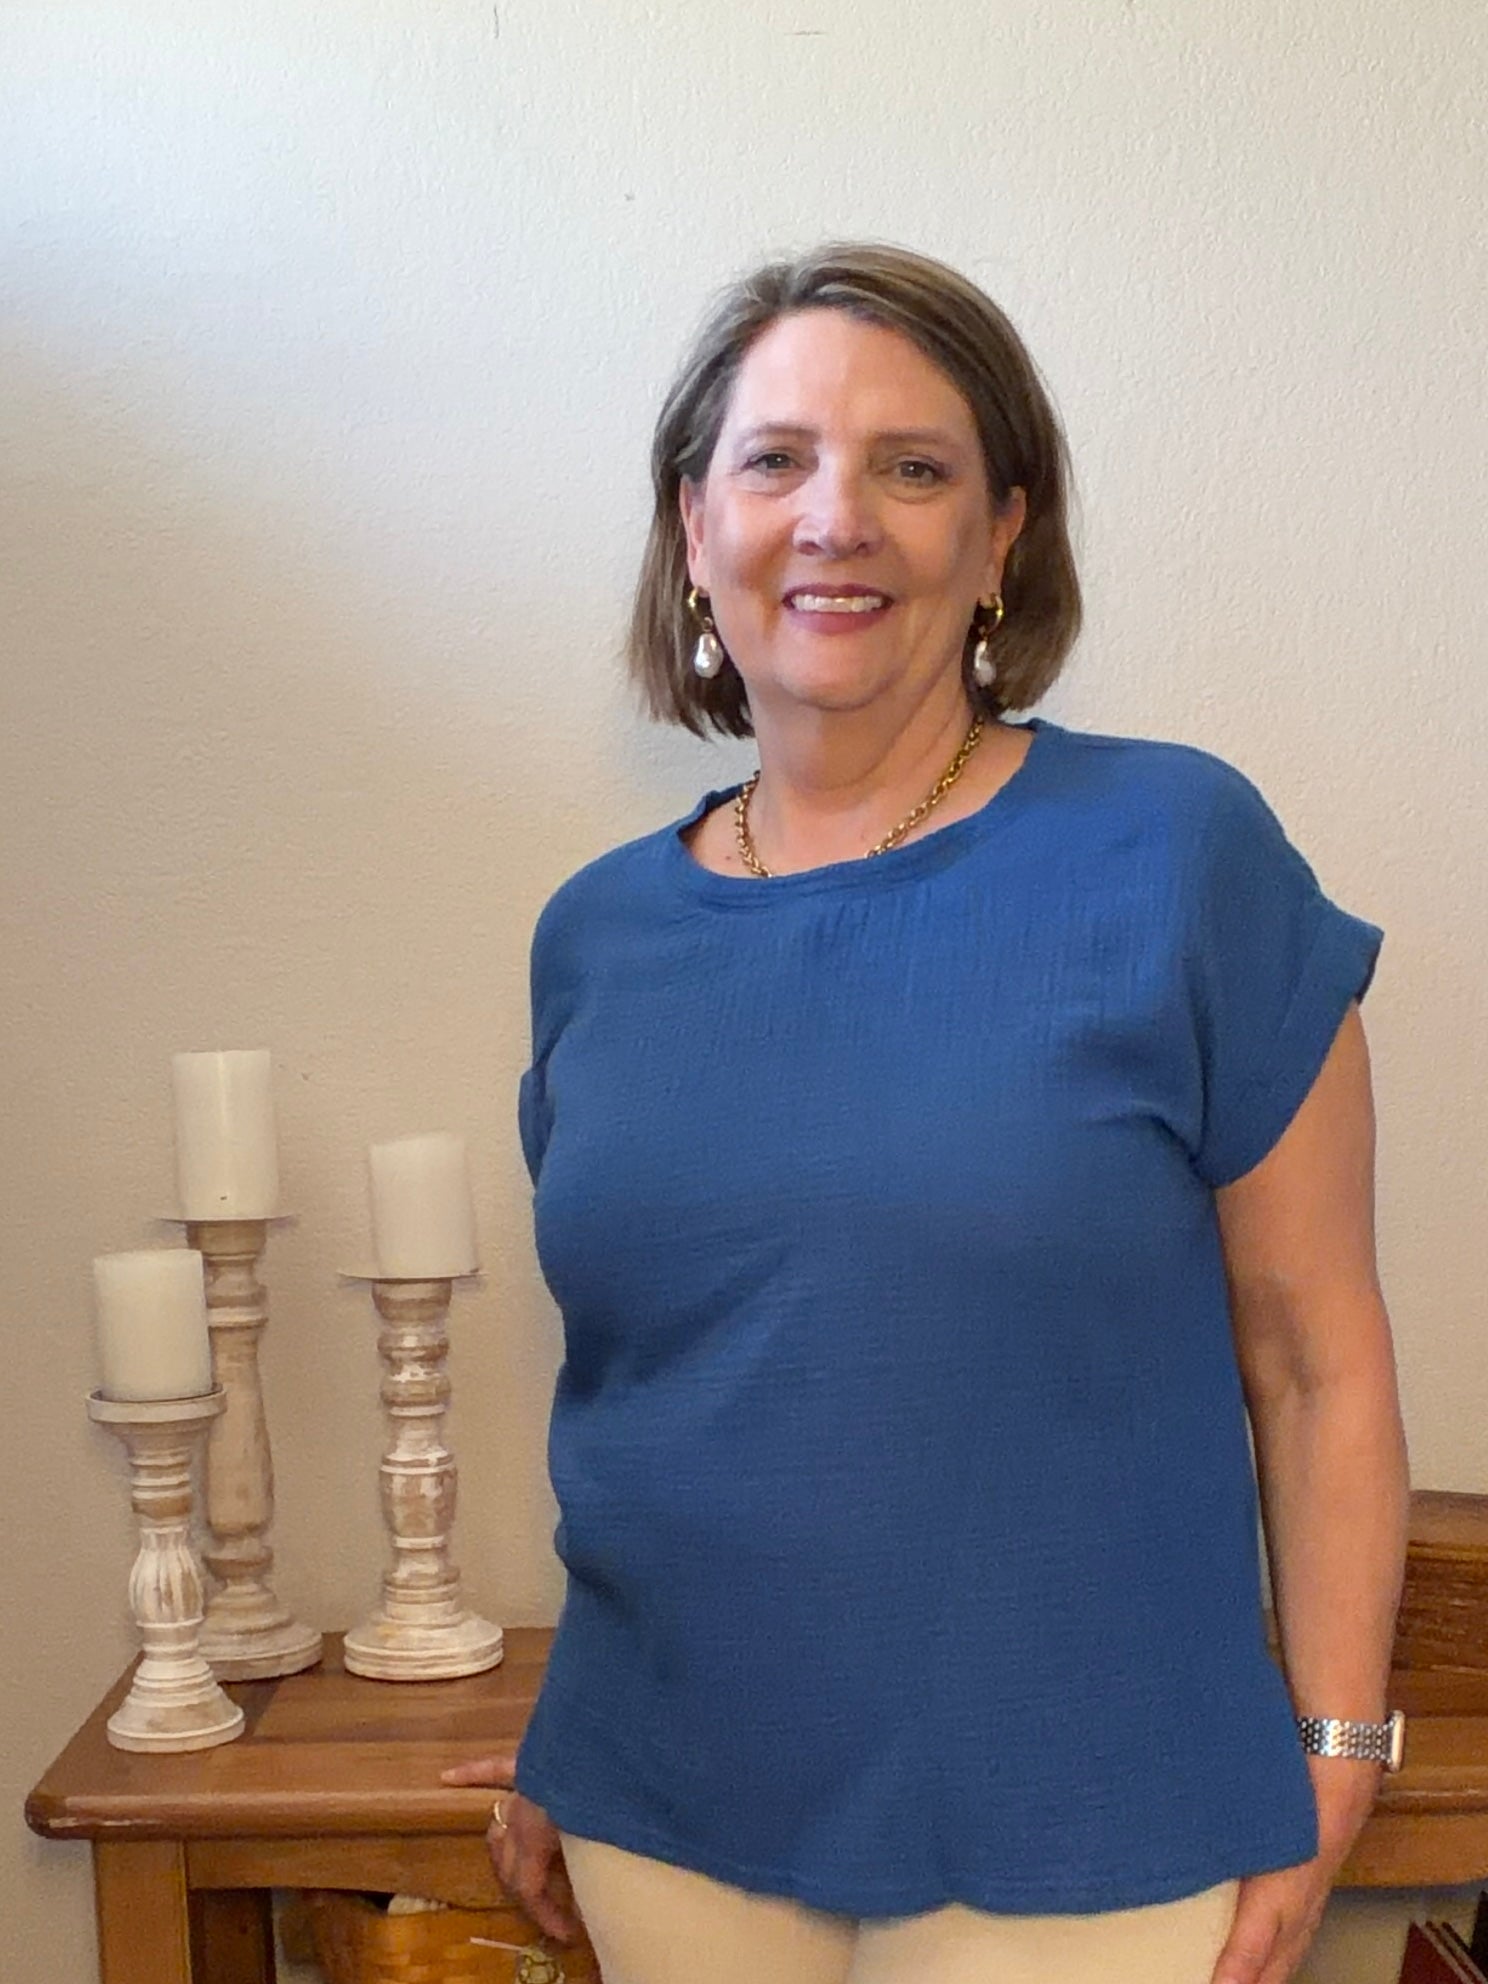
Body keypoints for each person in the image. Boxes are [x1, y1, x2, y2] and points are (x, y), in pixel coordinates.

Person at [445, 243, 1409, 1984]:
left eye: (912, 467)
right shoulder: (593, 935)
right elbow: (672, 1386)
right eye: (776, 461)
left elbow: (1313, 1354)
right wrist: (570, 1730)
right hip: (662, 1810)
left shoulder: (1179, 854)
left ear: (1001, 536)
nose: (838, 519)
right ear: (694, 529)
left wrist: (1341, 1750)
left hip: (1095, 1821)